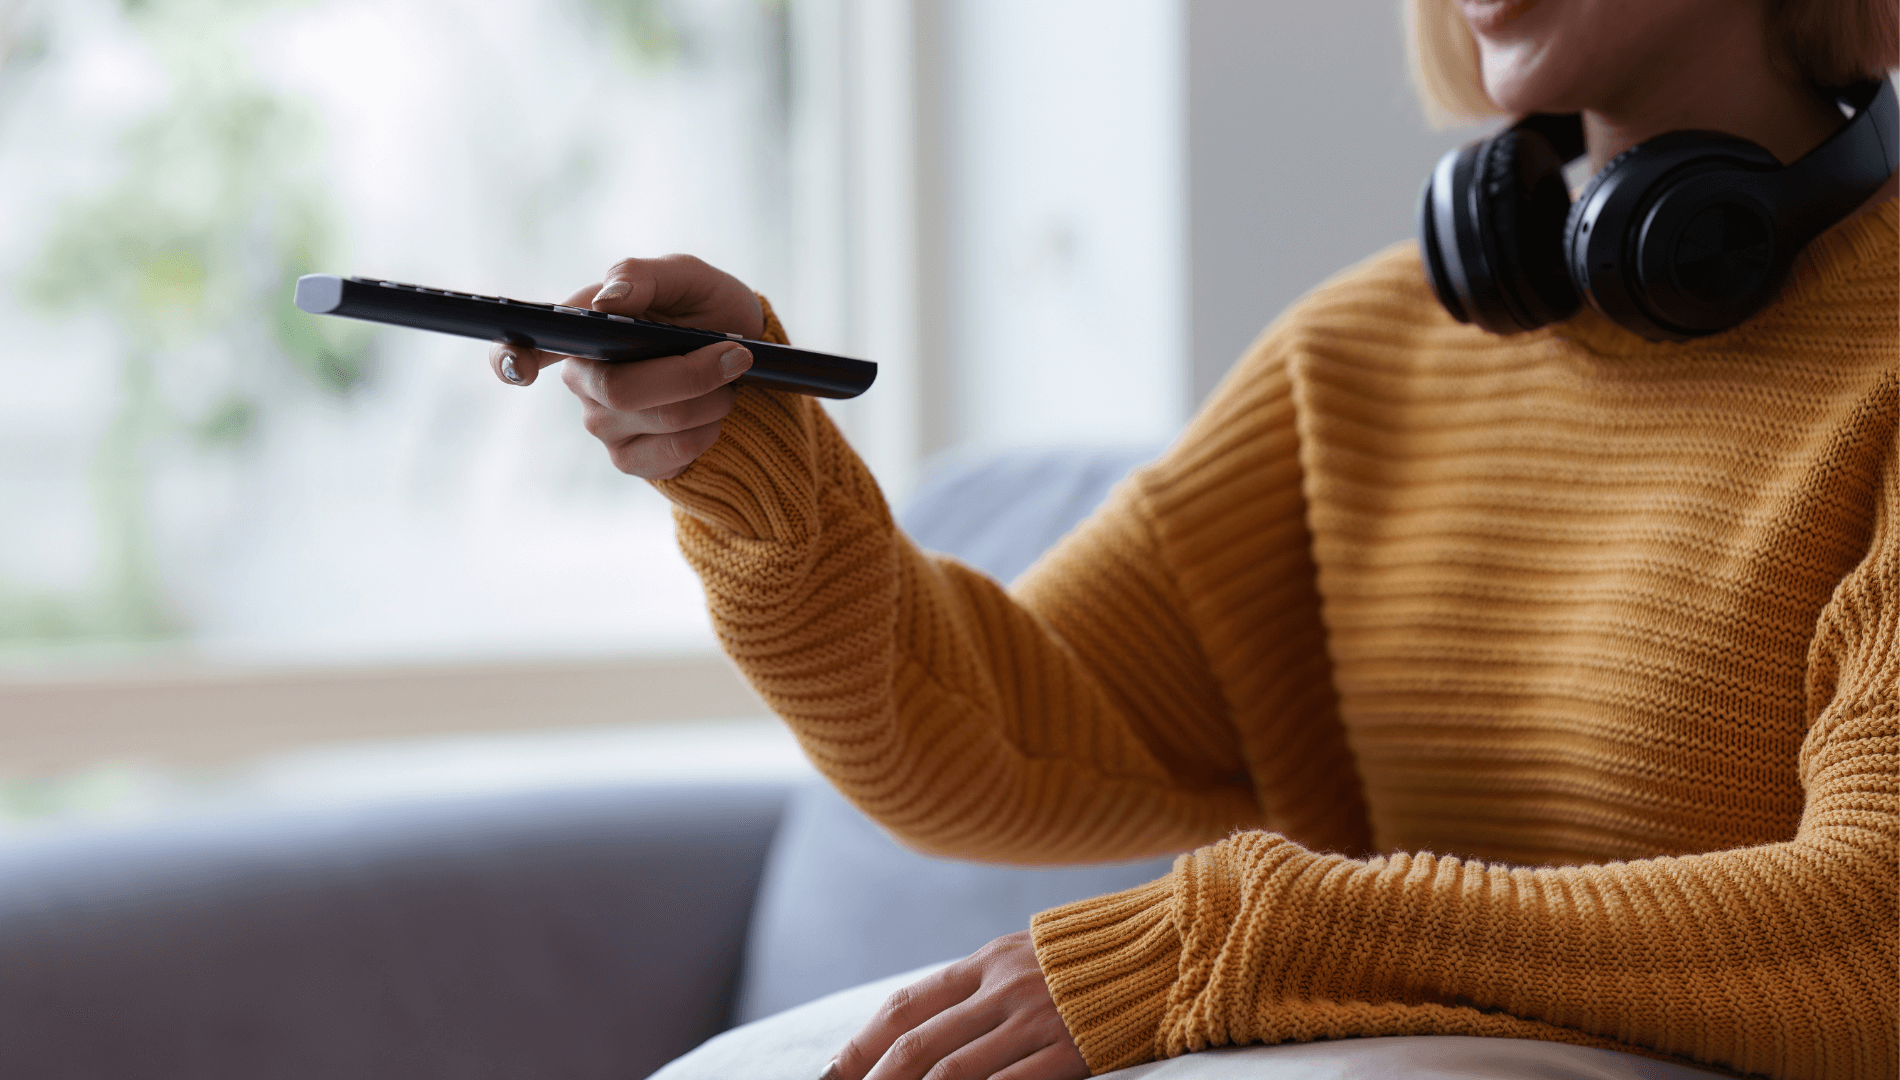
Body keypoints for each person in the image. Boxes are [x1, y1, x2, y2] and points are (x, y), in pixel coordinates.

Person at [491, 1, 1897, 1077]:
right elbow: (982, 731)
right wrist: (748, 454)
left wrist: (1242, 937)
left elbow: (1873, 934)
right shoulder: (1365, 356)